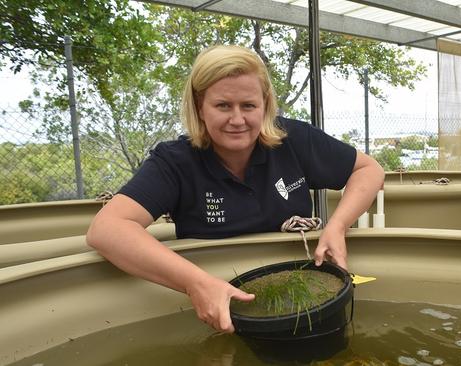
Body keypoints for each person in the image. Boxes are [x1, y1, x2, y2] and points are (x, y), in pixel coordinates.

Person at [86, 44, 385, 334]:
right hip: (217, 311)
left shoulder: (292, 140)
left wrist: (338, 225)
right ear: (200, 107)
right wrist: (196, 283)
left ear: (266, 104)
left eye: (249, 106)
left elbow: (369, 170)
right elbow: (107, 228)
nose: (238, 120)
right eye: (223, 106)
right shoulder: (175, 162)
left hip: (299, 299)